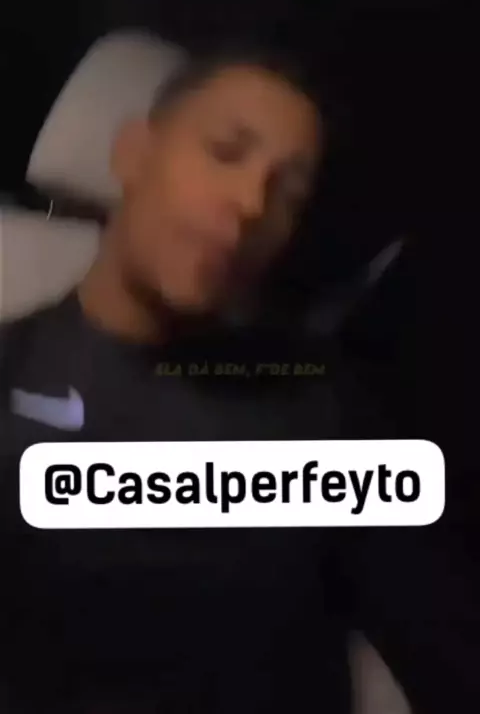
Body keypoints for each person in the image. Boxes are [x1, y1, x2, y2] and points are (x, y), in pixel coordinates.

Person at [0, 50, 478, 713]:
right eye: (226, 152)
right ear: (134, 154)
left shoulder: (316, 402)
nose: (253, 205)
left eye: (288, 196)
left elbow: (442, 640)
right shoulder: (13, 375)